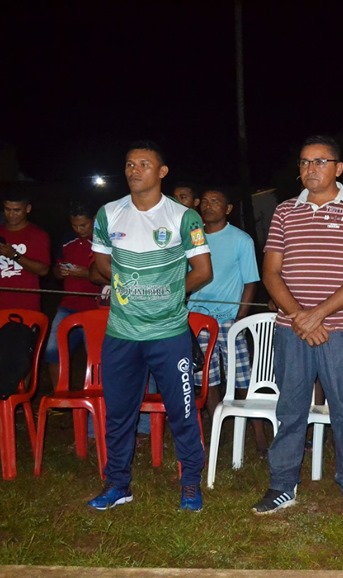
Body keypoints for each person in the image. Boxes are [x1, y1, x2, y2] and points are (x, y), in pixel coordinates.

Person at [253, 135, 343, 519]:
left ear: (338, 168)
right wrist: (300, 317)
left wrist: (318, 314)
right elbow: (271, 273)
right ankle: (282, 486)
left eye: (320, 161)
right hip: (291, 330)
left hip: (339, 331)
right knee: (290, 410)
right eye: (305, 162)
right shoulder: (285, 212)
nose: (311, 169)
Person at [88, 141, 213, 511]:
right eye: (129, 164)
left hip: (169, 335)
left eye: (144, 164)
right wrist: (127, 287)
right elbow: (101, 264)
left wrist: (170, 294)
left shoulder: (183, 217)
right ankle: (118, 484)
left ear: (162, 172)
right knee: (119, 413)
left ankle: (190, 483)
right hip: (121, 334)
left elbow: (203, 271)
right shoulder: (109, 213)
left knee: (182, 412)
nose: (134, 170)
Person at [187, 188, 263, 447]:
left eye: (216, 201)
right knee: (206, 379)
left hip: (230, 319)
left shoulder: (241, 240)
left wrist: (241, 317)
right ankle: (217, 430)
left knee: (242, 377)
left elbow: (251, 282)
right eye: (205, 201)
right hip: (198, 319)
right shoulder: (193, 239)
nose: (208, 206)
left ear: (228, 209)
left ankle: (260, 436)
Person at [45, 202, 103, 386]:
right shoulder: (67, 240)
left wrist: (86, 273)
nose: (79, 229)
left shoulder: (104, 241)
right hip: (68, 306)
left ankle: (99, 395)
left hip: (95, 307)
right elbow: (55, 271)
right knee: (52, 351)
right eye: (74, 225)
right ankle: (60, 395)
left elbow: (111, 276)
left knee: (96, 355)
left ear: (94, 220)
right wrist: (59, 271)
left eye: (83, 225)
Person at [0, 192, 51, 311]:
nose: (11, 214)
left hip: (25, 304)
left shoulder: (38, 235)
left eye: (16, 210)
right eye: (7, 209)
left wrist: (14, 255)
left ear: (28, 209)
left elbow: (43, 270)